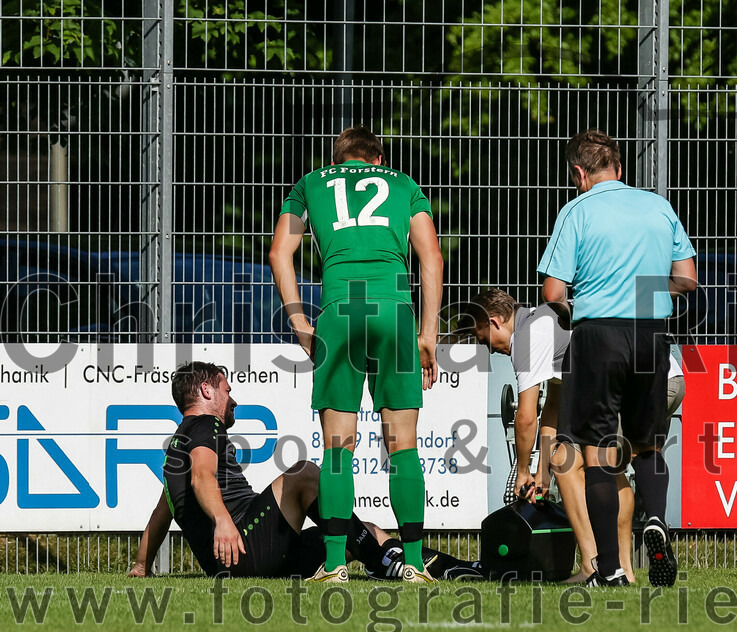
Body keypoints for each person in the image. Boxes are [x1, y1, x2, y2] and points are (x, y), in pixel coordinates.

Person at [270, 126, 444, 584]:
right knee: (402, 445)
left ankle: (333, 566)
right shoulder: (403, 184)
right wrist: (428, 333)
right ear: (378, 159)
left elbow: (278, 253)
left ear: (339, 159)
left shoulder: (310, 183)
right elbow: (431, 257)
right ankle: (413, 563)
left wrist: (299, 322)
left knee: (337, 449)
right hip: (395, 311)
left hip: (340, 313)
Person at [129, 361, 484, 581]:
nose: (233, 398)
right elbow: (202, 477)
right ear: (206, 390)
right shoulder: (207, 425)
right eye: (226, 389)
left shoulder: (177, 446)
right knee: (305, 473)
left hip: (244, 558)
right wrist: (223, 521)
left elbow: (162, 512)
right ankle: (385, 561)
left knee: (355, 533)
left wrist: (141, 566)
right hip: (242, 548)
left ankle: (449, 566)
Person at [536, 129, 697, 587]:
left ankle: (609, 570)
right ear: (620, 169)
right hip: (650, 335)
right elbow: (687, 279)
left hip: (598, 336)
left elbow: (553, 292)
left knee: (600, 454)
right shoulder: (658, 206)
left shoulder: (576, 210)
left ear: (579, 173)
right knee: (647, 443)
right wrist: (640, 293)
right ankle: (657, 521)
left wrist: (584, 307)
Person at [465, 288, 686, 584]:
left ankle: (595, 566)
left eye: (485, 341)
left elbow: (527, 416)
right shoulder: (546, 322)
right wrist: (540, 475)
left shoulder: (526, 336)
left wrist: (521, 472)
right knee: (612, 472)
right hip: (668, 377)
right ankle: (624, 570)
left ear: (494, 322)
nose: (490, 350)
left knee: (567, 462)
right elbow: (552, 408)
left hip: (627, 385)